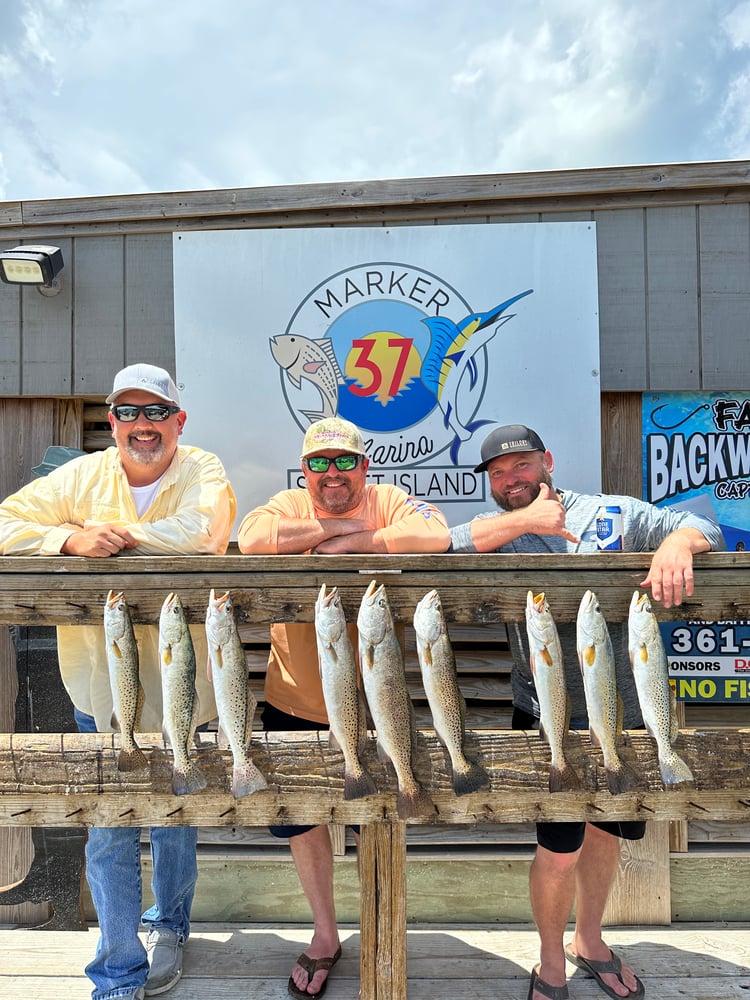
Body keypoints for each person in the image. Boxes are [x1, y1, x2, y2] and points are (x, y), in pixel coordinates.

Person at [450, 423, 725, 1000]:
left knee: (606, 835)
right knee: (557, 850)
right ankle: (551, 961)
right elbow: (438, 548)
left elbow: (703, 524)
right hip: (548, 718)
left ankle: (590, 940)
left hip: (629, 712)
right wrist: (522, 523)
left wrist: (677, 544)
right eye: (498, 474)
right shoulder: (496, 531)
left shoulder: (613, 513)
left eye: (521, 466)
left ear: (548, 461)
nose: (510, 480)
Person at [0, 363, 236, 1000]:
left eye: (156, 412)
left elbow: (202, 534)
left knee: (173, 819)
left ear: (178, 422)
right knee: (107, 827)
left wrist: (117, 538)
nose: (142, 425)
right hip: (99, 689)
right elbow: (4, 525)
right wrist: (69, 539)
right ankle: (117, 970)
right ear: (112, 422)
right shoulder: (79, 474)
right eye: (128, 413)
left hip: (185, 689)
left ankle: (171, 926)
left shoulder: (203, 470)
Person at [237, 415, 450, 999]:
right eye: (320, 464)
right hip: (293, 700)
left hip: (377, 705)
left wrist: (351, 537)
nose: (333, 475)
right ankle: (326, 933)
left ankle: (381, 933)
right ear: (304, 470)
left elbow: (435, 536)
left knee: (380, 816)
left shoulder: (391, 499)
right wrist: (333, 532)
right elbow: (253, 539)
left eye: (345, 462)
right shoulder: (282, 502)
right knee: (303, 823)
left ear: (364, 465)